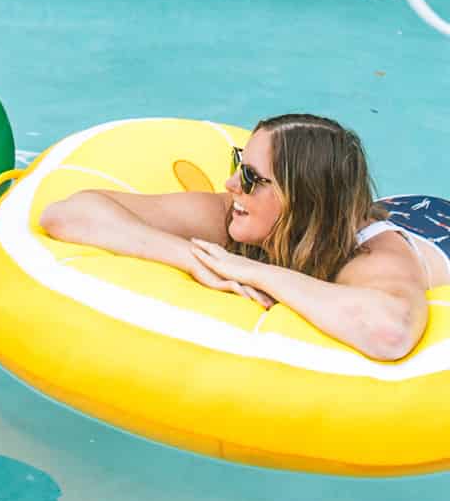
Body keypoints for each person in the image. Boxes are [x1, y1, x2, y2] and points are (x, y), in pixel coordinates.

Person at [40, 113, 450, 362]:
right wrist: (192, 258)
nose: (232, 183)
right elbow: (66, 214)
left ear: (300, 199)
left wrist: (253, 271)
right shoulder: (236, 213)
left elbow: (390, 335)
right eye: (240, 163)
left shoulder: (372, 256)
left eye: (253, 177)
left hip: (433, 227)